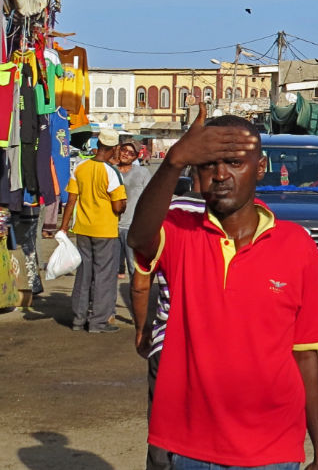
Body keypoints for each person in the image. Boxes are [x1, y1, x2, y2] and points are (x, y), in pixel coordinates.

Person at [128, 105, 318, 470]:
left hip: (273, 448)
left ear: (260, 169)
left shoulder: (297, 245)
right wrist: (173, 160)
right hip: (191, 446)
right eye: (208, 164)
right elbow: (140, 236)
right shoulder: (179, 230)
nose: (220, 175)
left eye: (235, 163)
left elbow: (305, 355)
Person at [131, 168, 206, 470]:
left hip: (168, 341)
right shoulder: (247, 217)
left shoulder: (167, 216)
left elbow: (140, 283)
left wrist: (142, 329)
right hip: (217, 346)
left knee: (163, 434)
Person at [61, 130, 127, 333]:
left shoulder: (80, 167)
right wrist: (123, 205)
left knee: (84, 274)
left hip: (82, 228)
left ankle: (79, 319)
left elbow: (71, 200)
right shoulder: (111, 172)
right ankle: (98, 321)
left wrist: (63, 227)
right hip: (105, 230)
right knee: (104, 276)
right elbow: (117, 206)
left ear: (97, 144)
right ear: (114, 148)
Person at [115, 139, 152, 284]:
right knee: (109, 268)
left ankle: (136, 300)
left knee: (134, 267)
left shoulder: (142, 173)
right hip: (110, 227)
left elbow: (149, 199)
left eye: (131, 153)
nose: (126, 154)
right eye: (124, 150)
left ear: (136, 157)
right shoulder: (110, 170)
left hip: (132, 227)